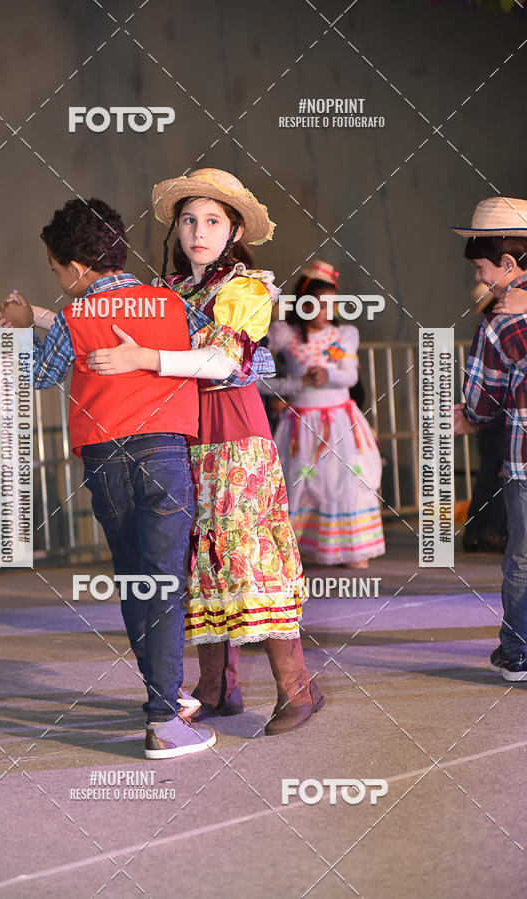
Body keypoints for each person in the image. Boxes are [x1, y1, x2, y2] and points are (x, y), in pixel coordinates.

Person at [87, 169, 324, 735]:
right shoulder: (168, 292)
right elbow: (102, 325)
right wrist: (38, 322)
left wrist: (145, 359)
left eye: (213, 221)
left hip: (236, 438)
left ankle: (298, 690)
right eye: (189, 219)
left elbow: (221, 363)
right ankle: (216, 688)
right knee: (197, 561)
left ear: (233, 228)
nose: (198, 230)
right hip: (184, 437)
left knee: (246, 560)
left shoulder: (245, 288)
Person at [0, 197, 218, 757]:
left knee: (136, 580)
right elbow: (237, 358)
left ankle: (166, 701)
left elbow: (41, 375)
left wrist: (23, 329)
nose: (58, 280)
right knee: (165, 582)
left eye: (54, 270)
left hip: (103, 461)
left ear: (72, 268)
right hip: (164, 454)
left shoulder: (75, 316)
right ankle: (165, 714)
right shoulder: (170, 303)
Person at [267, 260, 385, 569]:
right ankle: (300, 546)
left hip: (340, 421)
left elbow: (350, 377)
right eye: (319, 305)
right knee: (301, 480)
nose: (326, 312)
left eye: (332, 305)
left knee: (349, 477)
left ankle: (351, 548)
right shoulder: (283, 333)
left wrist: (327, 374)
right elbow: (258, 380)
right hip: (302, 424)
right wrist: (296, 383)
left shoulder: (344, 334)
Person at [453, 196, 527, 681]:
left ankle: (517, 653)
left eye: (482, 269)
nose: (479, 281)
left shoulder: (500, 321)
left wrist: (466, 416)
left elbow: (483, 399)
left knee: (522, 558)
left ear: (507, 263)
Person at [462, 283, 507, 554]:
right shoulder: (496, 329)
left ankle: (477, 532)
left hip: (491, 411)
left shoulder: (488, 328)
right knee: (501, 472)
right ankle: (489, 531)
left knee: (491, 470)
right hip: (499, 411)